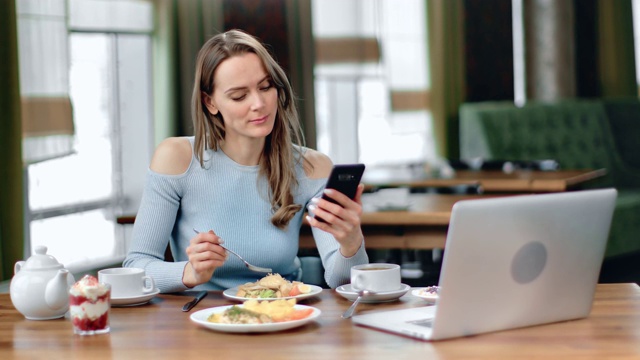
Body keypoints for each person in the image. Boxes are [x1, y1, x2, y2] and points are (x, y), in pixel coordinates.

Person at [123, 29, 369, 293]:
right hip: (201, 321)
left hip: (283, 316)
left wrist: (351, 242)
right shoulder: (176, 158)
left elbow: (343, 283)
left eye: (266, 87)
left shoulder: (312, 167)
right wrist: (189, 272)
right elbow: (135, 267)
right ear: (210, 102)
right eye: (239, 96)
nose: (259, 104)